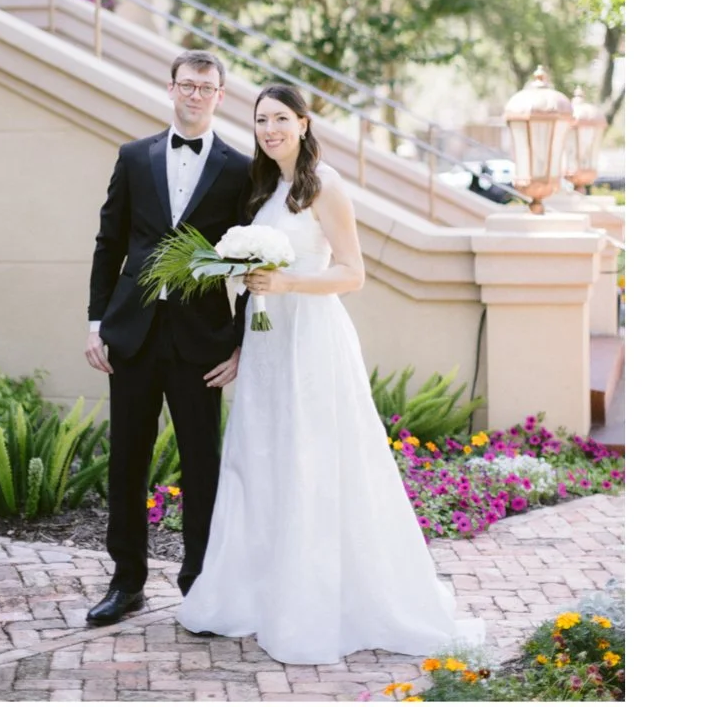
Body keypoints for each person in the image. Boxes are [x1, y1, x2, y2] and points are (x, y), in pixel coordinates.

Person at [175, 84, 484, 662]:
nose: (270, 130)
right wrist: (245, 327)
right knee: (259, 459)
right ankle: (251, 594)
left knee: (312, 459)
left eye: (281, 119)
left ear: (304, 122)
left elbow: (353, 273)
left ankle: (314, 605)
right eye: (262, 120)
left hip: (312, 339)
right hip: (269, 346)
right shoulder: (264, 188)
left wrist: (287, 283)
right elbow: (253, 285)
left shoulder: (326, 185)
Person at [83, 51, 252, 626]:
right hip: (131, 335)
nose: (195, 94)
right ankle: (126, 581)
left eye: (206, 87)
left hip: (200, 344)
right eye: (187, 84)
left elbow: (253, 259)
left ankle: (198, 583)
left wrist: (238, 344)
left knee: (201, 464)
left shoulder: (240, 169)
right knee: (127, 462)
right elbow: (109, 243)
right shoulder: (134, 157)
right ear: (172, 88)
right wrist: (95, 324)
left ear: (220, 95)